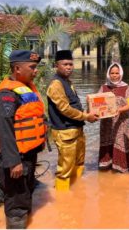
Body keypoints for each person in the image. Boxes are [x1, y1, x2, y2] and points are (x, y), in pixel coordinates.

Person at [0, 50, 45, 229]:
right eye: (32, 67)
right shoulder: (6, 94)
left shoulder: (26, 88)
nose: (36, 71)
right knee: (16, 206)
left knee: (24, 195)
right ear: (17, 68)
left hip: (27, 155)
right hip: (16, 159)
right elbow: (5, 129)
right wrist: (13, 162)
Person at [46, 50, 98, 191]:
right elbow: (65, 109)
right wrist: (86, 116)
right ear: (57, 65)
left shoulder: (68, 82)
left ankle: (77, 193)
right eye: (65, 64)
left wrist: (88, 109)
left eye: (70, 64)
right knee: (65, 169)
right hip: (65, 131)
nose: (68, 67)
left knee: (79, 161)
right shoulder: (56, 84)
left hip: (77, 129)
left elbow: (74, 105)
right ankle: (63, 202)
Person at [98, 62, 129, 172]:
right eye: (112, 73)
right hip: (106, 123)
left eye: (116, 73)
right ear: (109, 74)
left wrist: (120, 110)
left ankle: (120, 167)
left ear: (120, 74)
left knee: (121, 142)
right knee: (106, 141)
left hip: (121, 122)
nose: (114, 75)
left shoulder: (126, 87)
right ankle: (106, 164)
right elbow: (97, 102)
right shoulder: (104, 87)